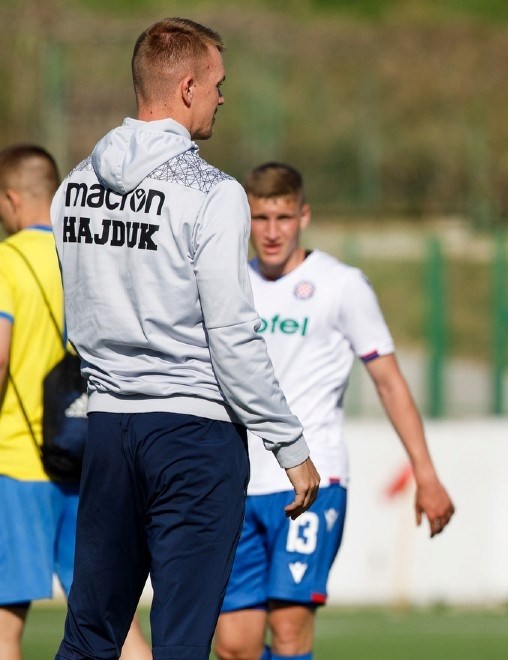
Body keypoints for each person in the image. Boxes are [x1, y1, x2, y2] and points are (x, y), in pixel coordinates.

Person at [50, 18, 320, 659]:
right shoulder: (213, 193)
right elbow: (231, 334)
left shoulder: (73, 186)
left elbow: (78, 311)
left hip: (109, 428)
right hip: (192, 436)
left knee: (90, 636)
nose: (223, 98)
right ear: (189, 86)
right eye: (219, 85)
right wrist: (289, 441)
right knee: (181, 639)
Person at [212, 163, 456, 660]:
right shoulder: (228, 283)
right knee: (234, 646)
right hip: (238, 483)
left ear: (303, 216)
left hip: (313, 481)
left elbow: (389, 383)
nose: (272, 231)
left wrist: (425, 474)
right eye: (260, 218)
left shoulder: (341, 285)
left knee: (288, 632)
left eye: (282, 217)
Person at [0, 144, 78, 660]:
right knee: (105, 620)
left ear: (10, 199)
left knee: (4, 626)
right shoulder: (84, 254)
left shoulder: (7, 260)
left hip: (18, 461)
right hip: (83, 459)